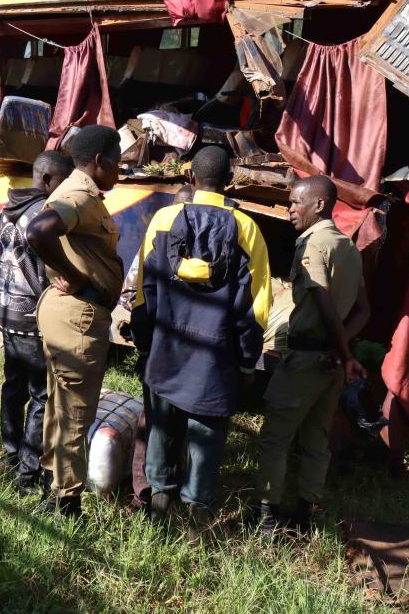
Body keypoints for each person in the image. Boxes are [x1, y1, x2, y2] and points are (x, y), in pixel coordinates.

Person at [131, 146, 272, 537]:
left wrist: (147, 344)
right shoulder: (247, 230)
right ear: (229, 181)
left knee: (161, 431)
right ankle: (196, 527)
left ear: (191, 176)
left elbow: (144, 291)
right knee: (206, 443)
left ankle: (159, 514)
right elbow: (256, 307)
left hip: (166, 351)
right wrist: (246, 360)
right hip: (216, 359)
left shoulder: (163, 219)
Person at [254, 175, 370, 536]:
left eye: (295, 203)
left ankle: (266, 517)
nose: (289, 210)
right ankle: (305, 515)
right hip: (330, 363)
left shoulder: (313, 245)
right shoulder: (347, 247)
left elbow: (323, 304)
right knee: (317, 440)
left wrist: (342, 350)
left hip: (306, 358)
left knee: (275, 437)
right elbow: (364, 309)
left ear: (318, 205)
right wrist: (343, 352)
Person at [27, 125, 123, 519]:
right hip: (77, 316)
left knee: (60, 402)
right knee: (75, 411)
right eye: (118, 161)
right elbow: (39, 230)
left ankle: (53, 483)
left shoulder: (84, 192)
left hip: (68, 313)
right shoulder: (80, 193)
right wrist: (76, 275)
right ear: (99, 161)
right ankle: (66, 503)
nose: (121, 169)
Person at [0, 150, 74, 494]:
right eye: (63, 180)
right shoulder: (42, 214)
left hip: (6, 312)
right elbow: (47, 269)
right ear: (46, 180)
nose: (66, 187)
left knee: (13, 385)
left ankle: (9, 454)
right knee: (41, 395)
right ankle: (26, 475)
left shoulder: (7, 209)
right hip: (31, 317)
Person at [125, 183, 194, 511]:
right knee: (153, 420)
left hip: (179, 350)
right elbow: (134, 293)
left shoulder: (201, 247)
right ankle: (144, 490)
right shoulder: (156, 245)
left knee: (172, 422)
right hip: (160, 346)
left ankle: (167, 485)